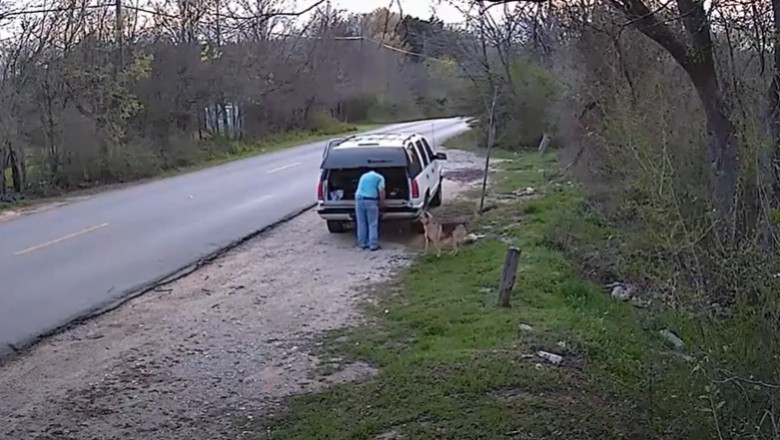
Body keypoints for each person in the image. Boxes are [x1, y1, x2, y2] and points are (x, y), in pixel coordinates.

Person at [354, 168, 385, 251]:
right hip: (371, 200)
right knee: (372, 223)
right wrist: (382, 202)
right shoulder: (380, 177)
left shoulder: (363, 176)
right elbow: (381, 191)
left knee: (361, 222)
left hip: (359, 199)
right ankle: (373, 245)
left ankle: (362, 244)